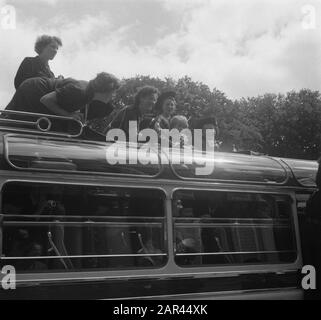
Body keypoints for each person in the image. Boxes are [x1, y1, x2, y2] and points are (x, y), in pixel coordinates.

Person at [5, 72, 120, 122]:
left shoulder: (88, 96)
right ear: (104, 90)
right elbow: (46, 99)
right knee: (14, 121)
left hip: (36, 91)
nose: (113, 96)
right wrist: (68, 115)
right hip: (33, 90)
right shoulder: (79, 90)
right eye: (113, 92)